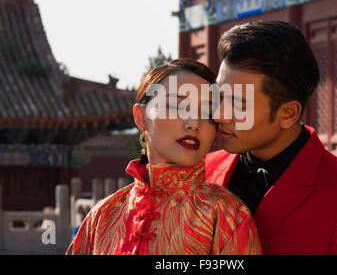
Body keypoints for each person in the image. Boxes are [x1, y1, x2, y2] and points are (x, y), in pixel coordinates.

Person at [205, 20, 337, 255]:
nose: (219, 114)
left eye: (239, 104)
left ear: (288, 113)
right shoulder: (200, 173)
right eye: (220, 96)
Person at [66, 59, 262, 255]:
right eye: (177, 106)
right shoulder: (102, 217)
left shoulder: (227, 215)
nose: (194, 122)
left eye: (207, 112)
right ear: (141, 117)